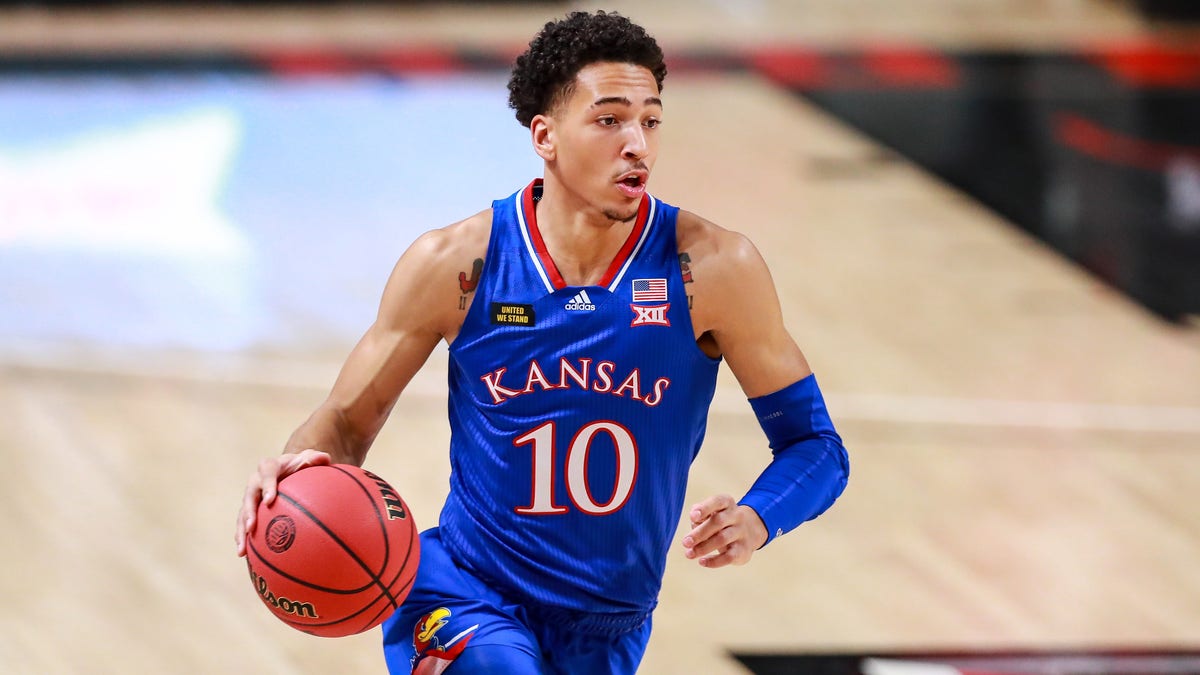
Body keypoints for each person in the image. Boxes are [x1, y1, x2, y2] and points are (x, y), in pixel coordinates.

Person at [235, 10, 849, 674]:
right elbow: (348, 420)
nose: (637, 143)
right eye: (610, 119)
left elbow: (817, 447)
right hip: (464, 591)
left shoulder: (714, 268)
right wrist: (297, 471)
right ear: (546, 136)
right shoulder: (457, 264)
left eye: (650, 119)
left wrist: (759, 517)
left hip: (608, 623)